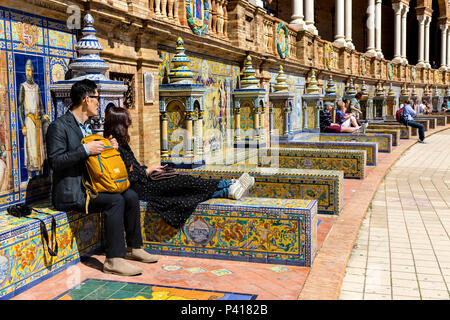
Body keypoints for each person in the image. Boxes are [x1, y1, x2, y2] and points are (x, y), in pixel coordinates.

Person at [46, 79, 157, 277]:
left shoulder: (86, 126)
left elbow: (95, 160)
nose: (99, 102)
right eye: (97, 98)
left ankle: (134, 247)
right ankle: (114, 260)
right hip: (73, 191)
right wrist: (85, 150)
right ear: (87, 99)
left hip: (92, 186)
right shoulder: (59, 127)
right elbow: (55, 161)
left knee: (130, 195)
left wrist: (108, 147)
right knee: (115, 201)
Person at [103, 104, 255, 230]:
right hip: (140, 188)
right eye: (127, 122)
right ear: (120, 124)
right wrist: (146, 171)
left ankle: (226, 190)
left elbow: (133, 167)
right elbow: (124, 176)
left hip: (144, 181)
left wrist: (148, 169)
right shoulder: (111, 146)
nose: (130, 124)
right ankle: (228, 185)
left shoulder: (121, 143)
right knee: (183, 184)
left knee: (182, 180)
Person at [18, 59, 51, 180]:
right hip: (29, 121)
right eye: (27, 70)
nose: (29, 72)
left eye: (30, 70)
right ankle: (30, 175)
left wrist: (44, 115)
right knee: (29, 147)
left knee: (39, 149)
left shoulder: (37, 87)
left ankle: (38, 174)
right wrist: (23, 125)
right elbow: (19, 107)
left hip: (37, 121)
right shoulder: (23, 87)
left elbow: (41, 106)